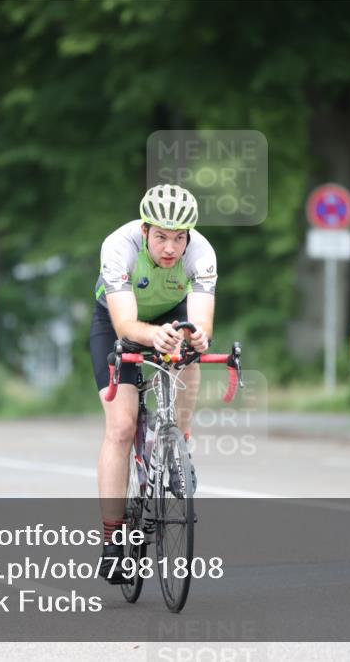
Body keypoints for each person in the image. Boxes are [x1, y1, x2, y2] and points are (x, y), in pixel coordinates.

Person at [91, 184, 217, 582]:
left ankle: (179, 445)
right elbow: (125, 324)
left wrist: (198, 336)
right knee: (121, 427)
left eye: (179, 238)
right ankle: (112, 540)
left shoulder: (202, 253)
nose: (170, 248)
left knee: (190, 353)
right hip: (117, 322)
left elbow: (202, 320)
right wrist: (153, 335)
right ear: (144, 230)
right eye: (161, 237)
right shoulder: (118, 246)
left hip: (171, 313)